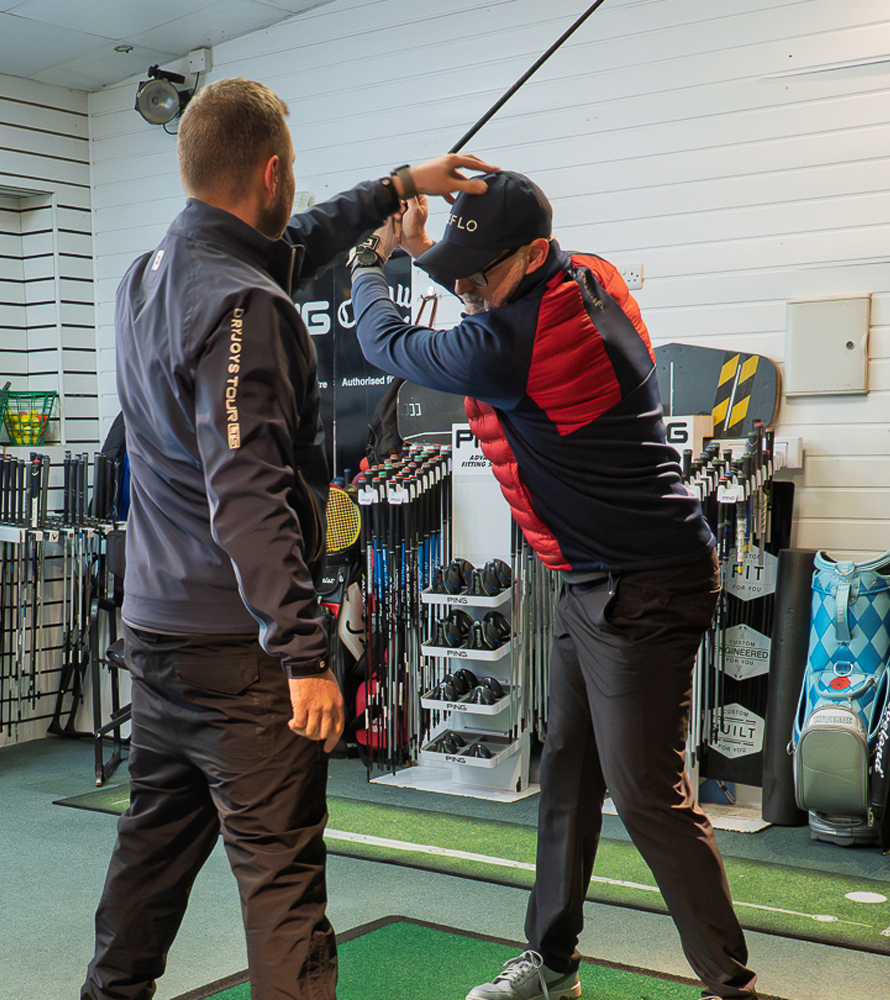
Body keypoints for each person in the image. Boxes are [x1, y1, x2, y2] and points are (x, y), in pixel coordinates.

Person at [80, 77, 494, 1000]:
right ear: (270, 171)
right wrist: (303, 653)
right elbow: (249, 496)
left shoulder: (147, 276)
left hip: (156, 638)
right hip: (242, 656)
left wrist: (398, 187)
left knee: (151, 854)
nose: (296, 187)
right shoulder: (246, 306)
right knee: (281, 884)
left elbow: (298, 241)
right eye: (292, 170)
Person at [345, 172, 760, 1000]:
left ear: (533, 256)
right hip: (592, 583)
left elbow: (384, 344)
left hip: (646, 588)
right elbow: (483, 281)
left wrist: (371, 259)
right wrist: (437, 250)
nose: (466, 290)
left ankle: (730, 987)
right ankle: (555, 965)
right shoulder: (589, 275)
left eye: (480, 274)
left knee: (646, 796)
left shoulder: (510, 344)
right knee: (566, 767)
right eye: (459, 271)